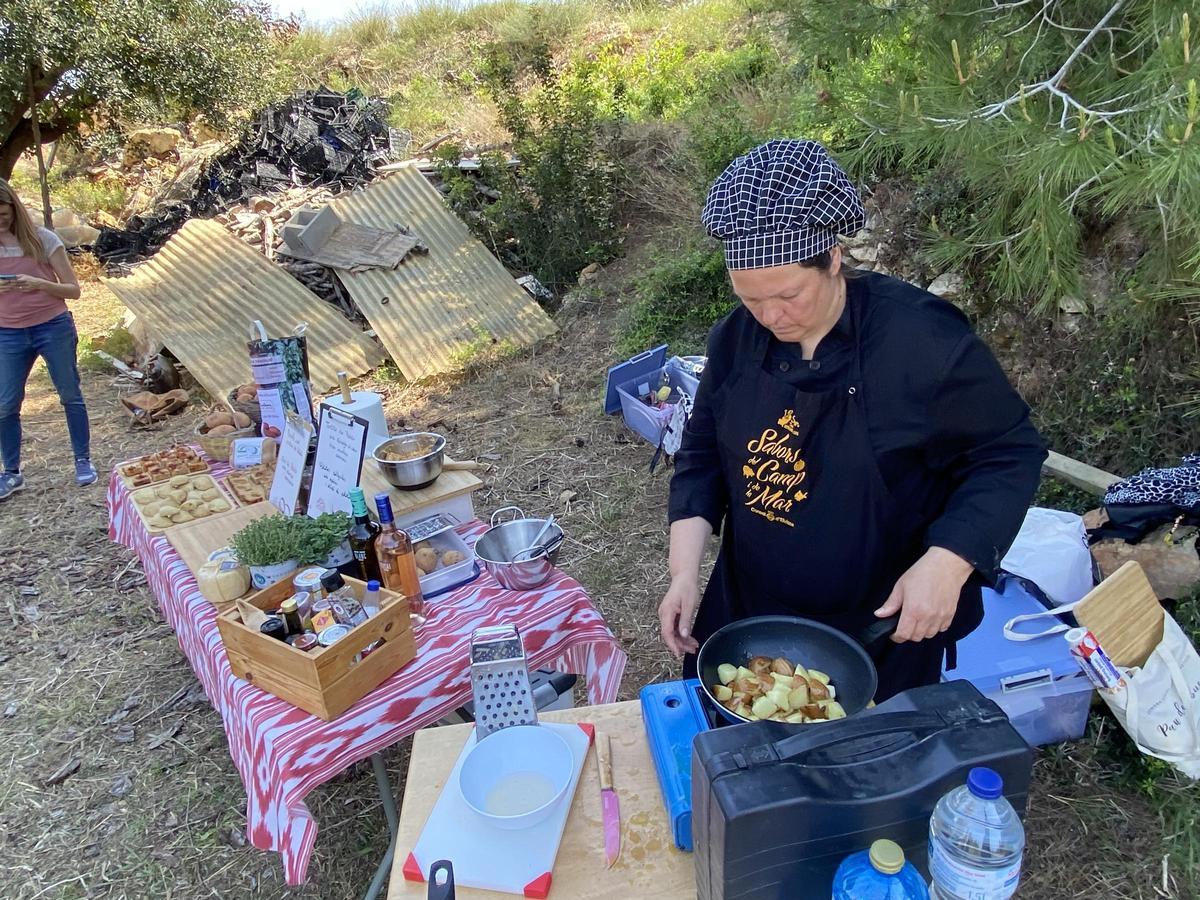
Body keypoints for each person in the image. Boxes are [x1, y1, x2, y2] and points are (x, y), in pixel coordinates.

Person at [659, 140, 1046, 701]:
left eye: (788, 295)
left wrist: (949, 562)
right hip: (751, 605)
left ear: (833, 258)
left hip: (882, 622)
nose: (769, 317)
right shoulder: (734, 341)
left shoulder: (923, 341)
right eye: (750, 299)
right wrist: (682, 575)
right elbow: (700, 459)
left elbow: (1007, 454)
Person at [0, 178, 95, 500]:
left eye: (4, 214)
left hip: (52, 326)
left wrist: (39, 284)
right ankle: (11, 472)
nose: (1, 221)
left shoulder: (43, 239)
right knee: (6, 404)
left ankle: (83, 460)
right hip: (8, 333)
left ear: (15, 209)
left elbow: (74, 290)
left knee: (70, 394)